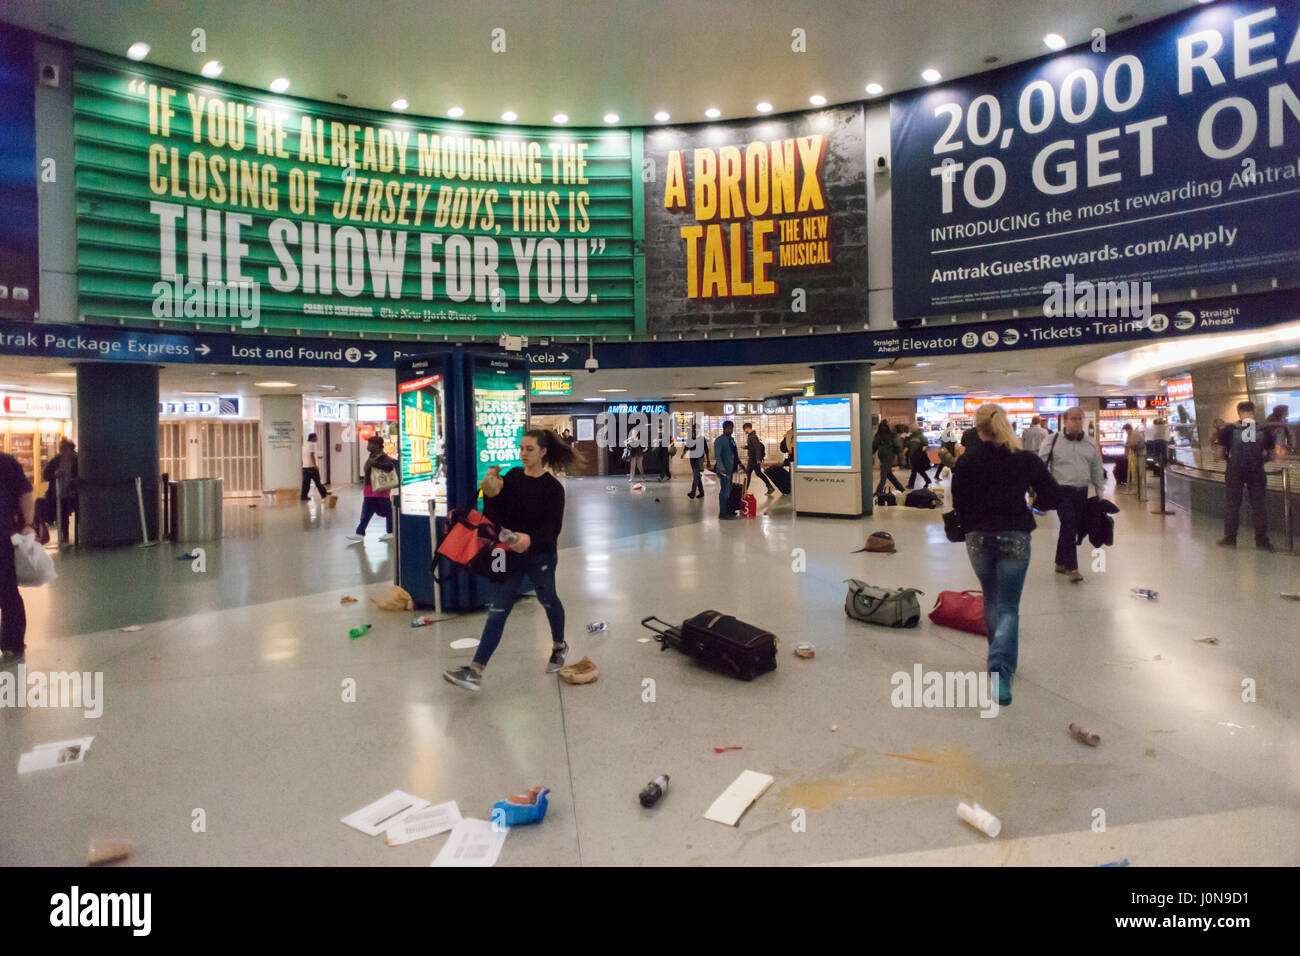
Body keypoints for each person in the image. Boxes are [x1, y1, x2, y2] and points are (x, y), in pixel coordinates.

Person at [443, 430, 581, 692]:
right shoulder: (514, 477)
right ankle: (475, 670)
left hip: (540, 553)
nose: (523, 454)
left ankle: (559, 646)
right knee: (498, 608)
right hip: (505, 553)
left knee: (548, 598)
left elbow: (553, 528)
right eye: (521, 448)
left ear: (543, 452)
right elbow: (496, 512)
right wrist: (491, 490)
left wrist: (528, 538)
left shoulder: (553, 489)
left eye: (529, 449)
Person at [951, 403, 1060, 706]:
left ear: (977, 426)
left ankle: (998, 657)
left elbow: (958, 501)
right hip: (1014, 535)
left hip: (978, 538)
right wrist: (1034, 506)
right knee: (1008, 606)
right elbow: (1052, 494)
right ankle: (1000, 669)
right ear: (1006, 424)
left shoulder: (967, 461)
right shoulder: (1024, 460)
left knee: (991, 599)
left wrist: (974, 519)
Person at [1039, 407, 1106, 582]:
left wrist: (1099, 491)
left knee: (1073, 527)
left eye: (1079, 419)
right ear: (1065, 421)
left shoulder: (1090, 443)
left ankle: (1060, 562)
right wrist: (1041, 488)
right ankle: (1072, 568)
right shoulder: (1052, 440)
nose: (1077, 422)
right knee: (1069, 524)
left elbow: (1097, 468)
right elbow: (1041, 465)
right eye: (1073, 419)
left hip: (1081, 491)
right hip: (1061, 491)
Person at [1216, 401, 1273, 551]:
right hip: (1257, 471)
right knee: (1259, 506)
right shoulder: (1264, 429)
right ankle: (1262, 541)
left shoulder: (1228, 429)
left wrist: (1229, 459)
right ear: (1253, 412)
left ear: (1238, 412)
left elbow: (1220, 454)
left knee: (1232, 505)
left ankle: (1230, 539)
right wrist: (1261, 460)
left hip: (1235, 471)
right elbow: (1272, 454)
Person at [0, 450, 35, 664]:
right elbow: (25, 494)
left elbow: (25, 494)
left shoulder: (5, 463)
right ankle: (13, 645)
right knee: (7, 590)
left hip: (2, 536)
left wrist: (28, 524)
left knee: (7, 590)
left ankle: (13, 643)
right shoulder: (7, 462)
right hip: (3, 536)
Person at [347, 435, 396, 542]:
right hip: (372, 490)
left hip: (377, 490)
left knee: (371, 511)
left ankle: (361, 533)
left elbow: (389, 466)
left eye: (370, 444)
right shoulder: (374, 455)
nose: (368, 446)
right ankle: (361, 533)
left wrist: (374, 463)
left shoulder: (381, 456)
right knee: (372, 511)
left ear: (377, 445)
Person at [41, 437, 78, 541]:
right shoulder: (57, 460)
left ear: (69, 448)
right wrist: (55, 475)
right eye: (60, 448)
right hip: (59, 493)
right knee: (62, 516)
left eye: (63, 447)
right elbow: (45, 474)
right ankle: (65, 536)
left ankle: (71, 536)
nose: (61, 450)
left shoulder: (76, 459)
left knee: (66, 514)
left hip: (72, 492)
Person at [714, 420, 741, 519]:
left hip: (731, 468)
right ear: (724, 429)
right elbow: (717, 455)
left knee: (729, 490)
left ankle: (729, 510)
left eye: (731, 428)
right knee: (724, 491)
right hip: (724, 470)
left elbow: (735, 453)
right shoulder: (720, 440)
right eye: (728, 428)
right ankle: (723, 513)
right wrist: (721, 466)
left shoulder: (732, 440)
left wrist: (739, 464)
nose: (730, 430)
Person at [872, 420, 905, 497]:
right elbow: (874, 446)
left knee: (883, 474)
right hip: (882, 457)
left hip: (889, 457)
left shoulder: (892, 435)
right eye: (882, 426)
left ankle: (878, 491)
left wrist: (901, 461)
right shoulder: (878, 435)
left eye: (884, 426)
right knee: (889, 474)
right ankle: (901, 488)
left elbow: (898, 448)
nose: (883, 428)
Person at [742, 422, 775, 495]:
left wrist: (758, 459)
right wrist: (746, 447)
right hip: (751, 459)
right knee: (748, 474)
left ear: (748, 428)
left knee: (758, 473)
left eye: (744, 429)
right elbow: (753, 447)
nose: (744, 431)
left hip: (754, 459)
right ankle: (744, 490)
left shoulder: (753, 437)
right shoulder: (751, 436)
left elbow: (757, 448)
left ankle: (770, 486)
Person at [301, 432, 328, 500]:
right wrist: (315, 465)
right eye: (316, 437)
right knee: (318, 482)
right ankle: (324, 494)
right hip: (311, 467)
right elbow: (311, 455)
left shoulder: (304, 444)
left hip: (305, 467)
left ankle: (303, 496)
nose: (317, 438)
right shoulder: (311, 444)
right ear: (313, 438)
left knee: (306, 483)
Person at [904, 423, 932, 489]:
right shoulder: (910, 437)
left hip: (918, 457)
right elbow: (907, 446)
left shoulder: (921, 436)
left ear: (914, 428)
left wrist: (921, 453)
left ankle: (911, 485)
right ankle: (928, 480)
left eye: (911, 428)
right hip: (912, 456)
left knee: (914, 470)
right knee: (919, 470)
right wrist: (903, 454)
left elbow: (925, 445)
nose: (910, 429)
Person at [1124, 422, 1147, 497]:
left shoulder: (1135, 433)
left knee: (1140, 472)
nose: (1126, 432)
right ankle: (1137, 489)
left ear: (1130, 429)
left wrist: (1127, 445)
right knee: (1135, 472)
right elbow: (1128, 444)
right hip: (1136, 454)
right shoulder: (1129, 435)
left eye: (1127, 430)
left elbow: (1133, 444)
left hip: (1141, 453)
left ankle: (1142, 489)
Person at [686, 423, 706, 499]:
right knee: (697, 475)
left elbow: (706, 449)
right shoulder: (690, 437)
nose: (694, 430)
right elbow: (687, 446)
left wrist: (707, 461)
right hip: (692, 458)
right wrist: (683, 452)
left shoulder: (701, 438)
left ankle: (693, 492)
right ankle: (701, 492)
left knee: (696, 475)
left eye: (695, 429)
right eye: (693, 429)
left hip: (699, 458)